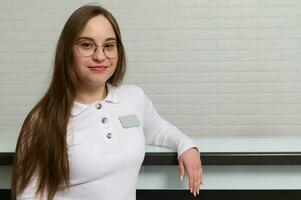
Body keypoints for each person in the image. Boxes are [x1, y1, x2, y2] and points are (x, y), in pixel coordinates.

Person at [11, 4, 203, 200]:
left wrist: (187, 146)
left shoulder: (133, 97)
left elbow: (159, 129)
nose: (100, 56)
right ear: (67, 50)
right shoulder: (41, 120)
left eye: (109, 46)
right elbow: (28, 195)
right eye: (87, 45)